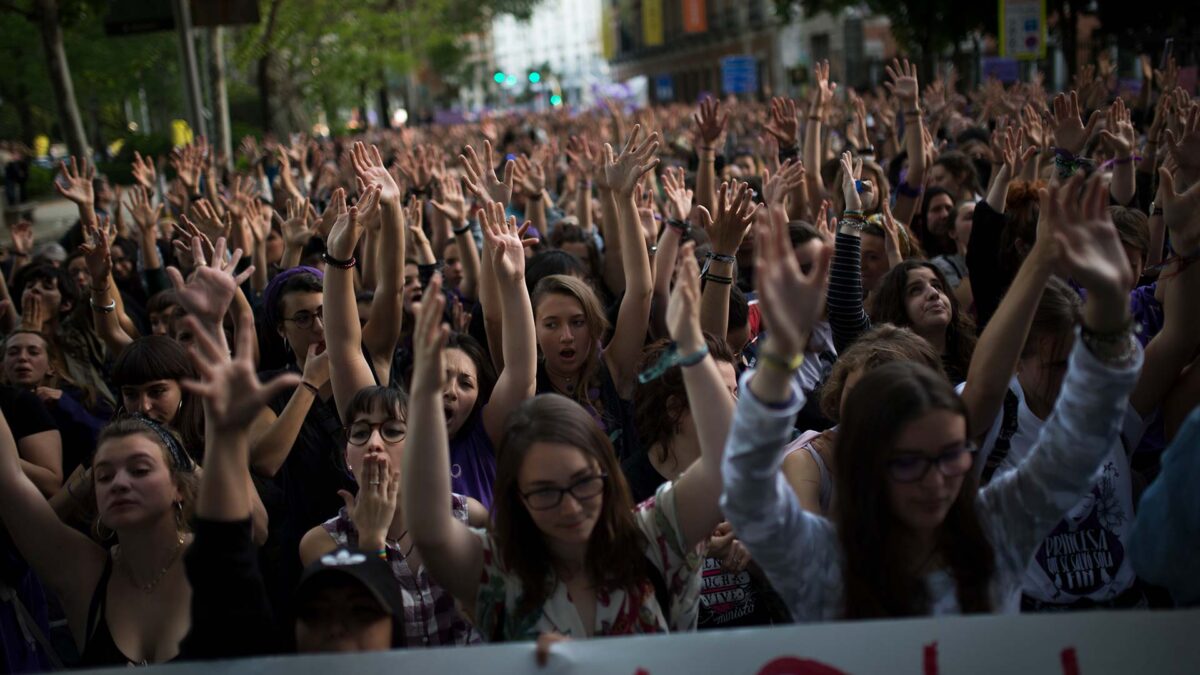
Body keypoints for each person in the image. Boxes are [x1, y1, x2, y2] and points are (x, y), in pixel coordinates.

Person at [722, 174, 1143, 621]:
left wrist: (1109, 301)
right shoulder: (824, 563)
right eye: (909, 461)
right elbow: (748, 491)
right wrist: (783, 349)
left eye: (950, 456)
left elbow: (1083, 437)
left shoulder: (996, 531)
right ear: (866, 462)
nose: (937, 480)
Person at [403, 258, 729, 642]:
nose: (571, 506)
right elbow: (430, 529)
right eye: (545, 491)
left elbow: (726, 461)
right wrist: (424, 397)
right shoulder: (500, 572)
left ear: (607, 470)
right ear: (517, 497)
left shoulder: (654, 535)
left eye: (583, 482)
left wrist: (692, 347)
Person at [174, 314, 409, 657]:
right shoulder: (319, 542)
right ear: (347, 456)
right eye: (360, 433)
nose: (374, 443)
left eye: (391, 431)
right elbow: (374, 638)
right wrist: (372, 540)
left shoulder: (462, 518)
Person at [0, 408, 198, 665]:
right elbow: (9, 480)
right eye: (104, 476)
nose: (119, 483)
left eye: (139, 470)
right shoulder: (86, 575)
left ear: (179, 488)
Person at [526, 128, 660, 462]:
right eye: (552, 324)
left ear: (596, 325)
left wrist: (623, 199)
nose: (567, 336)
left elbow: (641, 291)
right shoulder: (526, 383)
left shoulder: (613, 368)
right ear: (532, 329)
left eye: (577, 321)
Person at [782, 325, 944, 516]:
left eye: (883, 400)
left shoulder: (934, 459)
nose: (864, 410)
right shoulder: (809, 462)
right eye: (856, 394)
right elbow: (807, 543)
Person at [3, 329, 112, 478]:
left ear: (51, 366)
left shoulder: (84, 396)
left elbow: (111, 437)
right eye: (13, 352)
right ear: (2, 365)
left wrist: (67, 406)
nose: (22, 358)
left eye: (33, 352)